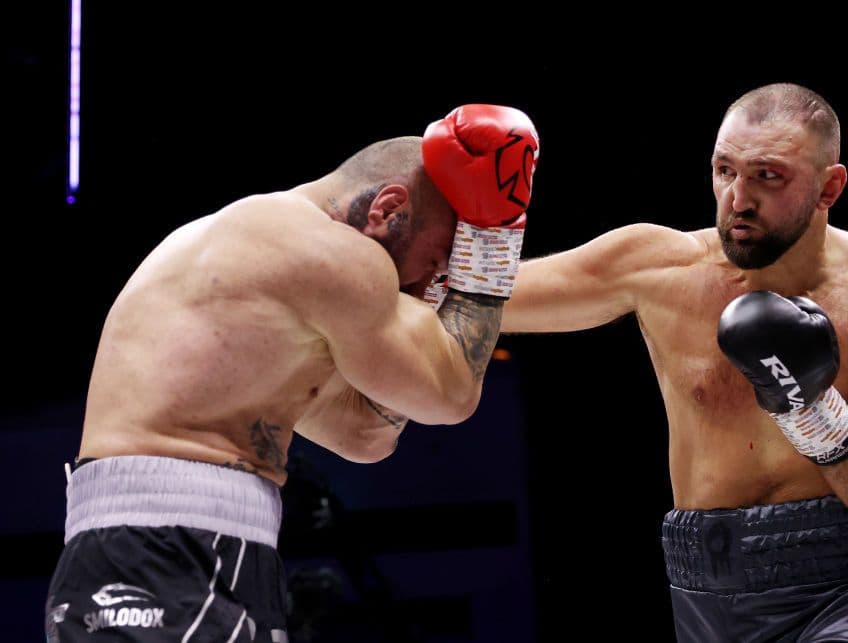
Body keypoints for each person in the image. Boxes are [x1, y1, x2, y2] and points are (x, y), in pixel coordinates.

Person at [43, 104, 539, 642]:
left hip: (195, 545)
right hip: (165, 546)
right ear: (388, 208)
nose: (430, 284)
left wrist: (435, 301)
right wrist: (491, 249)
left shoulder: (260, 279)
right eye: (440, 260)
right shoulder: (332, 255)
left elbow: (364, 435)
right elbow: (451, 396)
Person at [500, 83, 848, 641]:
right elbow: (478, 304)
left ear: (828, 187)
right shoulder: (658, 269)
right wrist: (467, 228)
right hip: (708, 587)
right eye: (724, 171)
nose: (737, 199)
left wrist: (814, 413)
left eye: (768, 176)